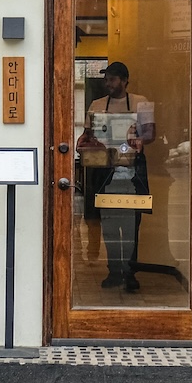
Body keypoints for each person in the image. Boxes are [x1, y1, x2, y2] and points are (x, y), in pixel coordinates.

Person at [79, 61, 154, 291]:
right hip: (104, 170)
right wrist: (86, 142)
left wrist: (139, 140)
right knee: (109, 223)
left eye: (112, 79)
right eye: (106, 79)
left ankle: (130, 272)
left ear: (124, 80)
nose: (107, 84)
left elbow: (150, 132)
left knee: (132, 223)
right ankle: (114, 271)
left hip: (132, 170)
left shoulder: (141, 102)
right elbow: (87, 134)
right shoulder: (97, 104)